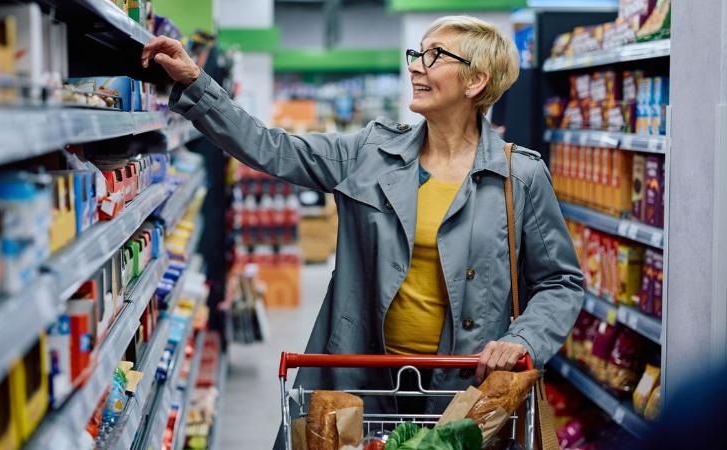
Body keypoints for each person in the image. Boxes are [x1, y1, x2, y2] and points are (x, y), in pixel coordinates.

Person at [143, 12, 583, 431]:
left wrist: (524, 340)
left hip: (468, 390)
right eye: (417, 54)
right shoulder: (370, 153)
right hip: (366, 380)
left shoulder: (518, 176)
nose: (416, 67)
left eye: (435, 56)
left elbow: (560, 281)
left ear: (476, 80)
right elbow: (270, 148)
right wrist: (196, 84)